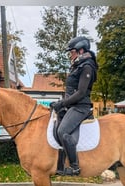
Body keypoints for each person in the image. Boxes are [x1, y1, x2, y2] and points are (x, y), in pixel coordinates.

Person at [50, 36, 98, 176]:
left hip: (80, 107)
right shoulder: (77, 66)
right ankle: (60, 166)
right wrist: (61, 103)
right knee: (57, 125)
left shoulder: (87, 66)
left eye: (72, 52)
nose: (70, 55)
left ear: (81, 50)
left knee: (63, 131)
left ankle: (75, 167)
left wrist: (62, 103)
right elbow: (71, 91)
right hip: (72, 105)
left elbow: (81, 92)